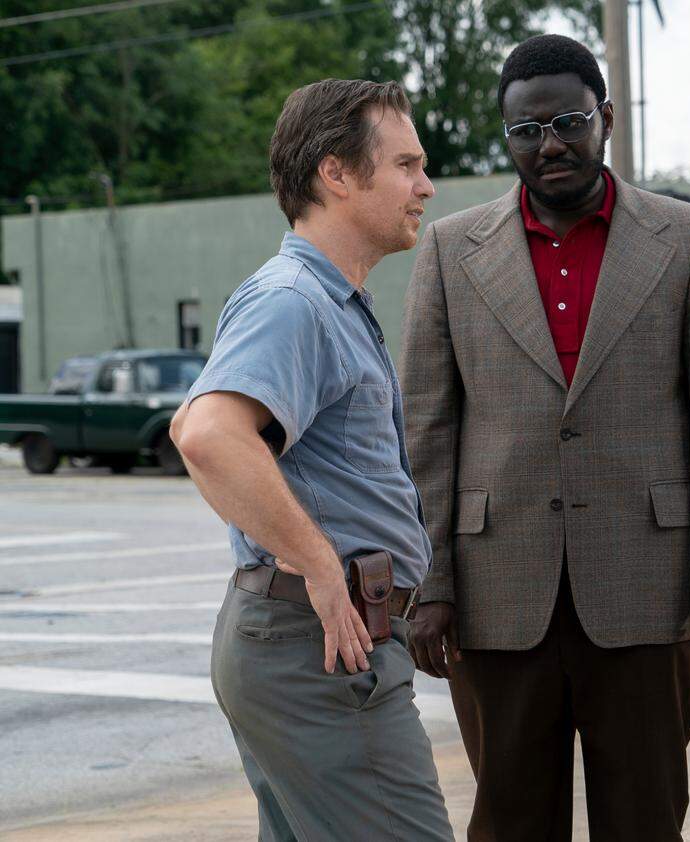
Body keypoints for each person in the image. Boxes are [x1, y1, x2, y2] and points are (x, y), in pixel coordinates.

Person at [400, 34, 690, 842]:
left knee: (645, 816)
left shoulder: (687, 236)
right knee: (509, 818)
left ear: (606, 118)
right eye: (526, 130)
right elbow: (425, 427)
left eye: (567, 122)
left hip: (651, 585)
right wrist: (429, 581)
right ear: (508, 137)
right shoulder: (450, 250)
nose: (549, 145)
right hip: (498, 590)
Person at [170, 79, 453, 842]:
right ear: (336, 173)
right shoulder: (295, 300)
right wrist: (322, 568)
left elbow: (195, 426)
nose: (425, 185)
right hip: (320, 651)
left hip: (307, 647)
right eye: (406, 164)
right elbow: (207, 435)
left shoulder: (321, 301)